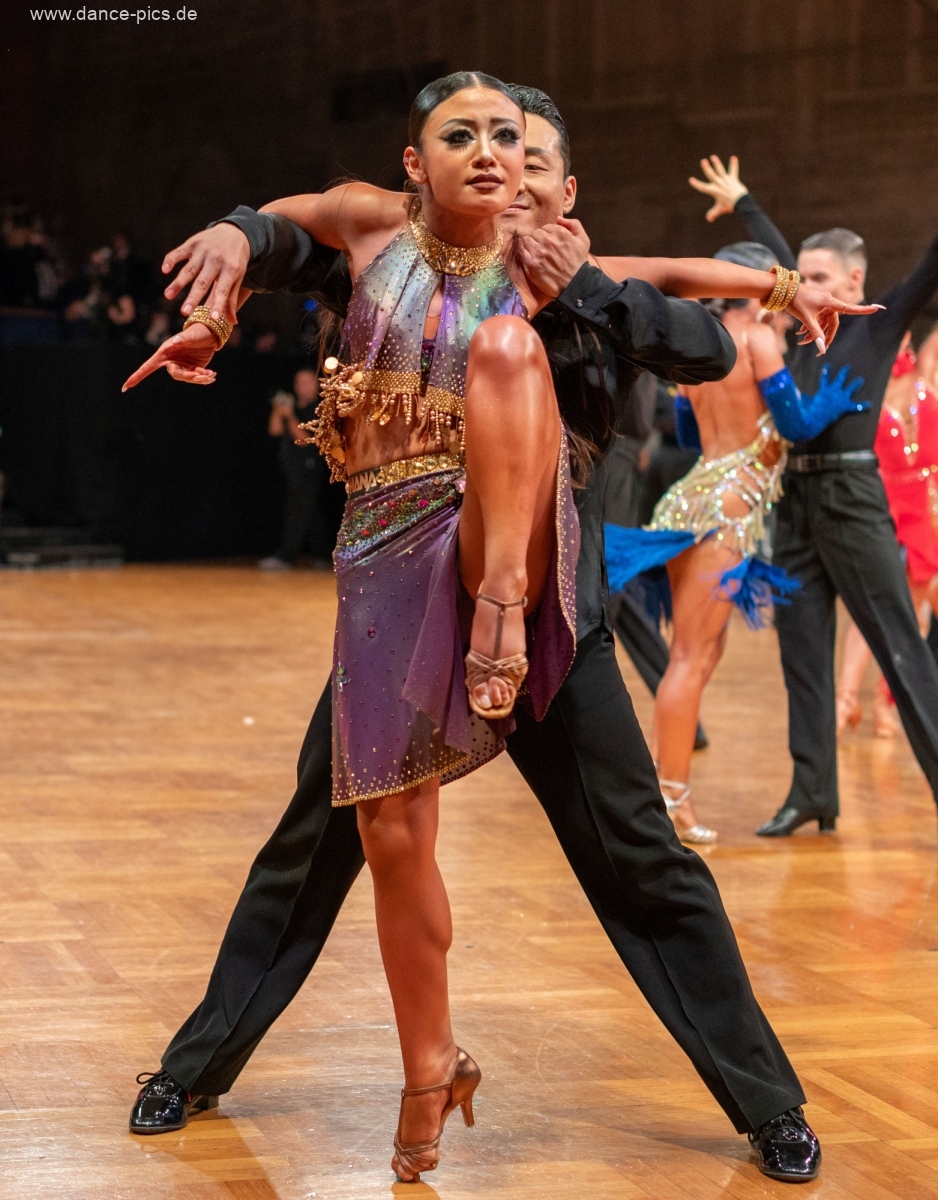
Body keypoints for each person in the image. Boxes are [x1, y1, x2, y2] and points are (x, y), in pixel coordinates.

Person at [123, 83, 866, 1183]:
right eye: (471, 140)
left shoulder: (584, 288)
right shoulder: (391, 253)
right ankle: (198, 1065)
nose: (500, 166)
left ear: (560, 189)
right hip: (399, 606)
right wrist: (235, 236)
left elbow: (699, 336)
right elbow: (292, 233)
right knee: (314, 846)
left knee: (641, 859)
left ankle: (768, 1104)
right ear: (423, 161)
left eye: (521, 151)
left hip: (546, 619)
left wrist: (613, 290)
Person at [691, 154, 938, 837]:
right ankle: (813, 793)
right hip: (795, 499)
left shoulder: (877, 322)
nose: (806, 290)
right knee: (801, 655)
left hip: (853, 498)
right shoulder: (799, 327)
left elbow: (930, 265)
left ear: (855, 280)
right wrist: (745, 201)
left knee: (900, 648)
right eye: (802, 280)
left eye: (822, 279)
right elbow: (779, 259)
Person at [604, 243, 867, 843]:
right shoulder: (756, 340)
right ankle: (669, 799)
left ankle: (663, 789)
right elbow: (795, 424)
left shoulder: (703, 346)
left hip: (693, 498)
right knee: (690, 660)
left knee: (697, 657)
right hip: (725, 510)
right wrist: (833, 402)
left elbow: (689, 432)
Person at [836, 332, 938, 736]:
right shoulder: (866, 387)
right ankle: (845, 699)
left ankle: (886, 702)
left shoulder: (927, 375)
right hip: (885, 503)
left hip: (928, 506)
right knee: (872, 605)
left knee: (914, 612)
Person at [259, 368, 337, 571]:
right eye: (298, 381)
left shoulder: (320, 409)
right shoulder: (292, 404)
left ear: (316, 385)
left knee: (298, 511)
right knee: (309, 512)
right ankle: (324, 555)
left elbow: (304, 440)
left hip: (309, 465)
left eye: (306, 382)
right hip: (290, 465)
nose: (301, 386)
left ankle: (285, 556)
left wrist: (290, 415)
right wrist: (279, 412)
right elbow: (274, 430)